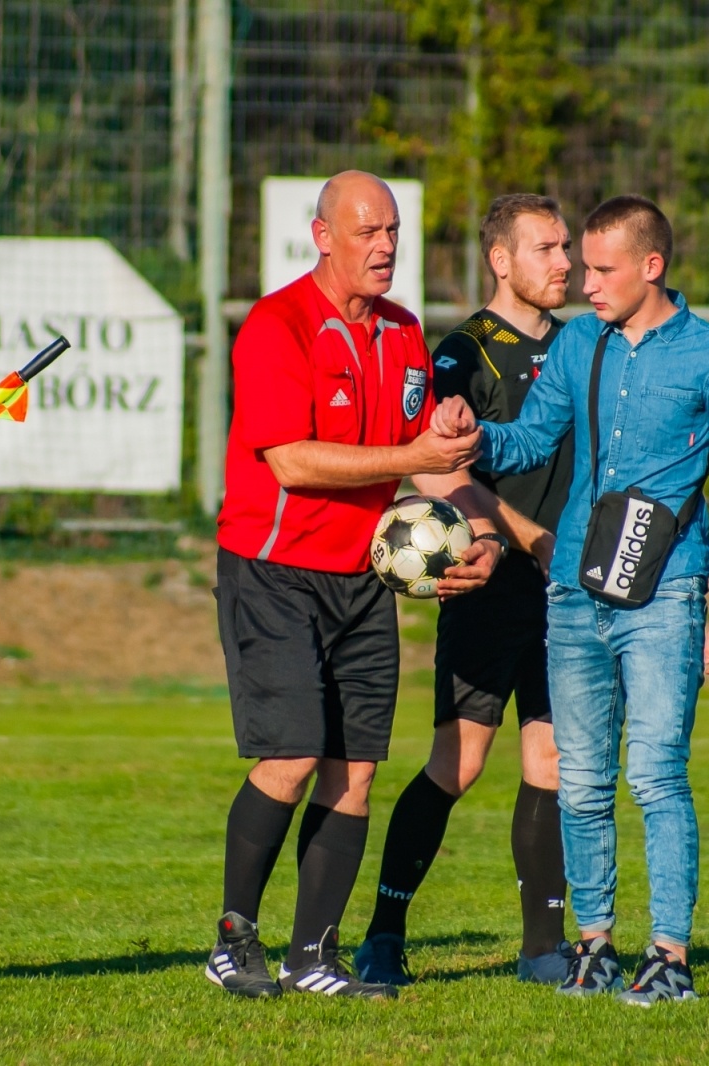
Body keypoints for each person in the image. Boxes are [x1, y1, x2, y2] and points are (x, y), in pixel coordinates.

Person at [432, 195, 709, 1007]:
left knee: (655, 775)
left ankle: (670, 954)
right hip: (573, 593)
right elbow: (532, 439)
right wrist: (473, 432)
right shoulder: (580, 343)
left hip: (668, 591)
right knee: (581, 782)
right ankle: (595, 947)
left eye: (602, 268)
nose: (585, 283)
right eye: (582, 265)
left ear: (651, 267)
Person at [206, 171, 506, 1000]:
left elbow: (431, 455)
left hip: (364, 576)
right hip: (273, 571)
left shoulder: (406, 333)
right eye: (366, 231)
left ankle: (313, 957)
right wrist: (418, 459)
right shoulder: (277, 326)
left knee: (355, 770)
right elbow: (292, 461)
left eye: (393, 231)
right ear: (323, 235)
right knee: (294, 754)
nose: (384, 246)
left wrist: (477, 533)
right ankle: (235, 938)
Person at [352, 194, 576, 988]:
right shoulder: (460, 354)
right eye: (545, 248)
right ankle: (382, 934)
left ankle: (544, 947)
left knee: (552, 758)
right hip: (490, 584)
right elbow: (436, 465)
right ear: (501, 260)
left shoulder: (585, 345)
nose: (565, 261)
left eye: (567, 246)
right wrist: (524, 538)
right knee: (460, 761)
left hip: (568, 594)